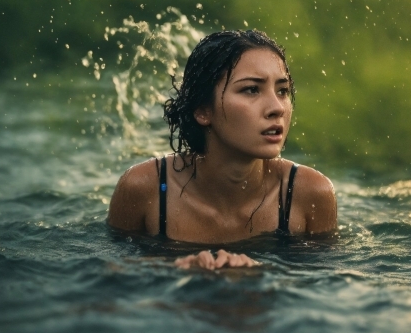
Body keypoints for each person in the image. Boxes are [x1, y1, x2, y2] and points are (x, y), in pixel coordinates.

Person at [108, 29, 337, 269]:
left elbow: (324, 288)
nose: (277, 107)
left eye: (282, 91)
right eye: (251, 89)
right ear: (202, 110)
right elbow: (111, 281)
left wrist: (259, 277)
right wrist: (173, 271)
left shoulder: (309, 194)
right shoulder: (145, 189)